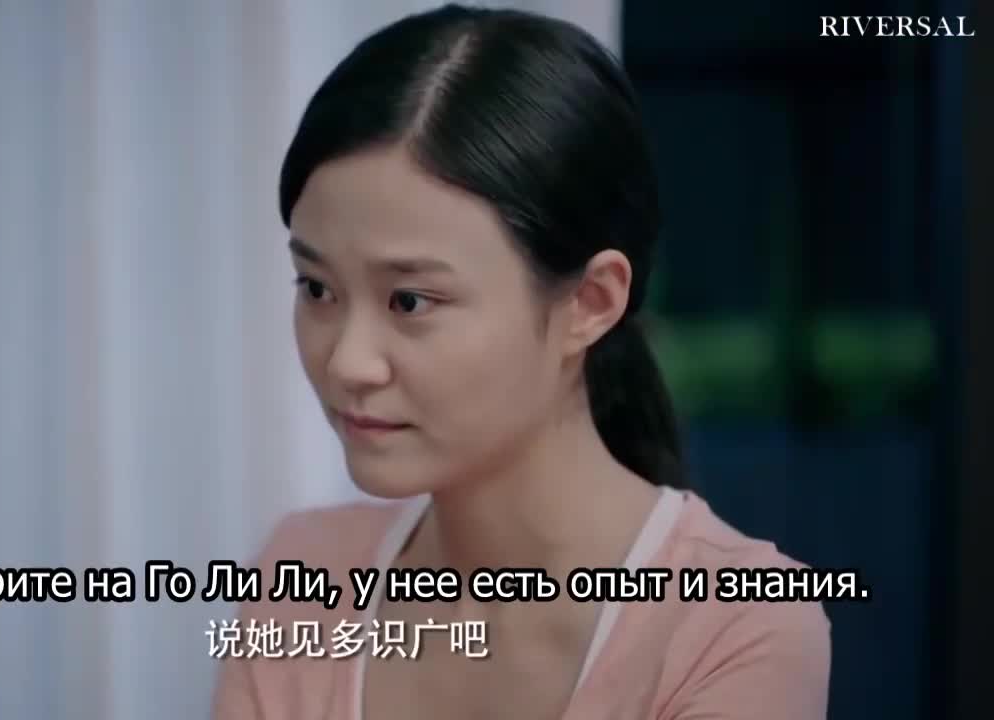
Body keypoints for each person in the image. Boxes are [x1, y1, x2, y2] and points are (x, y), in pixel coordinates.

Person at [212, 4, 831, 719]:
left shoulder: (733, 628)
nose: (348, 362)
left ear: (590, 302)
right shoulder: (301, 578)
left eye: (409, 301)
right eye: (317, 288)